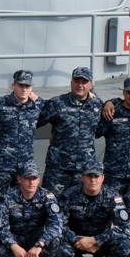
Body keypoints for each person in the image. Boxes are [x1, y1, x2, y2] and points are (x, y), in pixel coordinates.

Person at [54, 160, 130, 257]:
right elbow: (59, 224)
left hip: (101, 241)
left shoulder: (113, 197)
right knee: (56, 244)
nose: (93, 180)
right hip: (76, 240)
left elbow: (124, 227)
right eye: (89, 176)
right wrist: (76, 240)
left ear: (103, 178)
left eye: (96, 176)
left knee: (124, 247)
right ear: (82, 177)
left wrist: (96, 240)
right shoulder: (69, 195)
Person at [0, 162, 64, 257]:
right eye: (27, 178)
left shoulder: (47, 197)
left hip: (35, 236)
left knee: (55, 239)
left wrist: (40, 244)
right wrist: (14, 246)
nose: (31, 182)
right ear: (19, 179)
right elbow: (1, 226)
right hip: (16, 236)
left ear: (39, 180)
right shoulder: (7, 197)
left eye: (34, 179)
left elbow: (56, 224)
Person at [37, 67, 103, 197]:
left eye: (84, 82)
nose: (80, 85)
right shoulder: (57, 103)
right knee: (52, 204)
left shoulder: (97, 105)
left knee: (80, 208)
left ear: (91, 85)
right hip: (58, 168)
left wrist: (110, 102)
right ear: (71, 83)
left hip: (84, 169)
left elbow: (101, 130)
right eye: (76, 81)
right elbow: (34, 121)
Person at [0, 70, 43, 193]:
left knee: (22, 205)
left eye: (27, 86)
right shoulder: (0, 104)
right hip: (1, 166)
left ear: (31, 87)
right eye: (21, 85)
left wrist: (91, 95)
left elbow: (59, 115)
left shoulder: (38, 105)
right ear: (14, 85)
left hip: (25, 167)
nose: (24, 89)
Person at [94, 76, 130, 196]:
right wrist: (108, 102)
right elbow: (97, 133)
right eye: (129, 92)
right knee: (112, 207)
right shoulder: (112, 112)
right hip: (114, 173)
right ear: (123, 92)